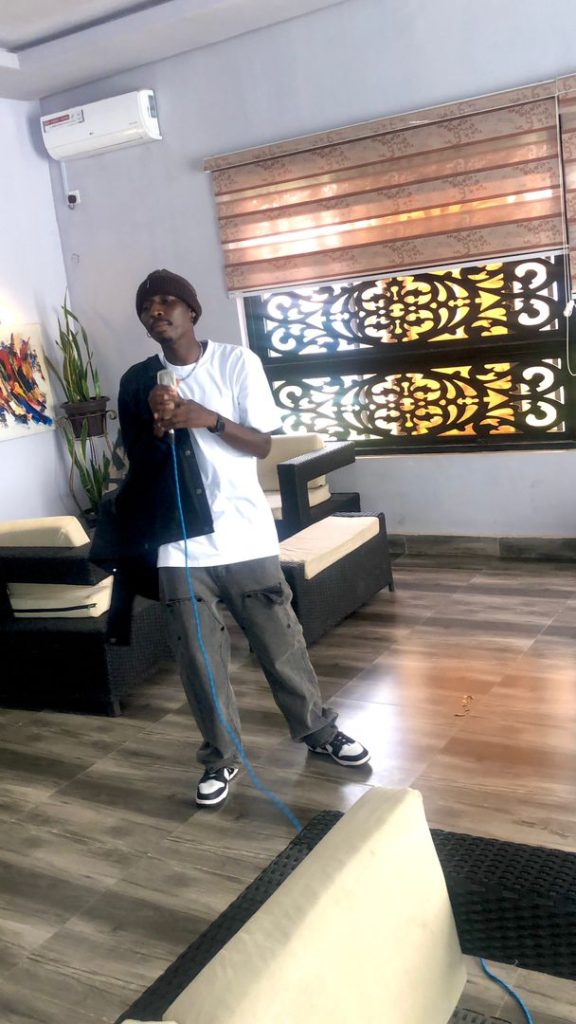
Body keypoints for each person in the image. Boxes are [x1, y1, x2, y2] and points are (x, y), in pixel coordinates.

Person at [117, 269, 370, 807]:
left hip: (243, 534)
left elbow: (261, 444)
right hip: (178, 542)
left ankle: (318, 731)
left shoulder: (236, 362)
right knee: (198, 659)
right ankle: (220, 757)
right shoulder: (137, 381)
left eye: (167, 302)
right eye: (147, 306)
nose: (156, 311)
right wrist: (157, 424)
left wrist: (207, 418)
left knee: (279, 643)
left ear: (191, 311)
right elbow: (138, 460)